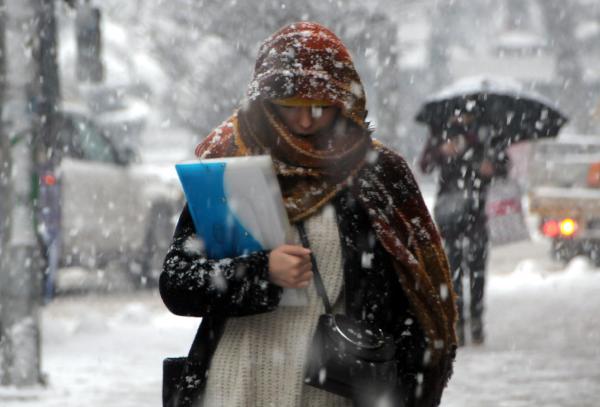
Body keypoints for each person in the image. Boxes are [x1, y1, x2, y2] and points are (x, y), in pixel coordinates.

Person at [160, 22, 457, 407]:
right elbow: (177, 284)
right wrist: (260, 272)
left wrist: (401, 385)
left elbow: (416, 300)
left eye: (318, 107)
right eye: (291, 108)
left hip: (333, 390)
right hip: (234, 387)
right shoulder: (229, 169)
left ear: (343, 101)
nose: (304, 122)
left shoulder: (376, 174)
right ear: (264, 103)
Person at [419, 113, 510, 346]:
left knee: (477, 268)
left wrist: (493, 167)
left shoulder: (488, 133)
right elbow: (425, 165)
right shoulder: (442, 131)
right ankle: (457, 322)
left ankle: (477, 321)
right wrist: (442, 151)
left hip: (477, 212)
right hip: (449, 213)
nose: (463, 115)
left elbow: (504, 165)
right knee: (452, 269)